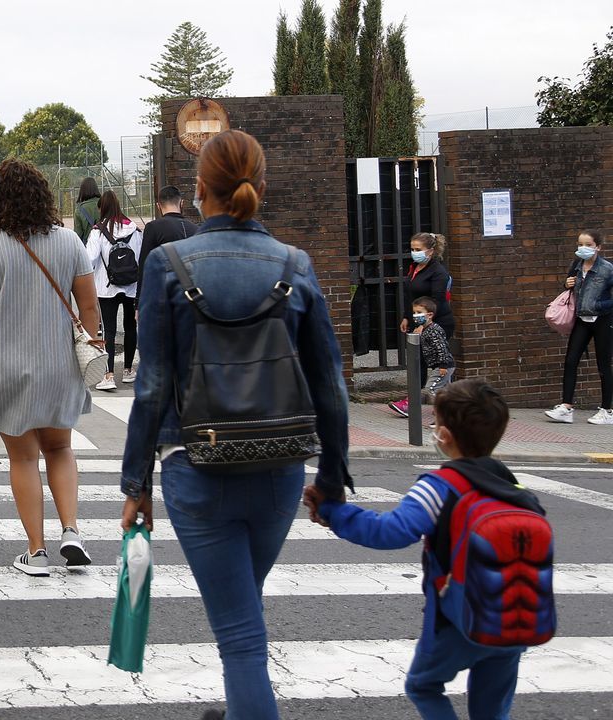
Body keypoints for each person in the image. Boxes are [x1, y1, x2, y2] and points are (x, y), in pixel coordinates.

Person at [119, 130, 351, 718]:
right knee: (244, 611)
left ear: (199, 190)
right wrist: (332, 474)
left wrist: (135, 485)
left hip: (197, 466)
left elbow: (151, 386)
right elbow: (329, 382)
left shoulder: (167, 264)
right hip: (279, 467)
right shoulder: (295, 265)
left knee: (241, 638)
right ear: (261, 188)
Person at [306, 380, 538, 720]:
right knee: (491, 710)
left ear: (444, 435)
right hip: (514, 620)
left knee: (423, 686)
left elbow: (391, 531)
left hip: (457, 620)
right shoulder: (515, 488)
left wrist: (335, 512)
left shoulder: (439, 487)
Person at [0, 158, 103, 576]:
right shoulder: (69, 242)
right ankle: (71, 530)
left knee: (23, 459)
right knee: (61, 448)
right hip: (60, 367)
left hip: (5, 370)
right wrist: (88, 344)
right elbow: (88, 305)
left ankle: (35, 551)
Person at [545, 230, 613, 425]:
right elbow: (570, 289)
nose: (583, 248)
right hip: (582, 319)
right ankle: (566, 407)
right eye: (580, 244)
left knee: (603, 365)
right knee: (571, 360)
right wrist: (566, 283)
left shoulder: (607, 269)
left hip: (602, 320)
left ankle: (607, 410)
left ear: (598, 247)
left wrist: (599, 306)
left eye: (588, 245)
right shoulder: (576, 265)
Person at [391, 232, 454, 417]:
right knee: (431, 362)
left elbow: (438, 301)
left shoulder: (438, 272)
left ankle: (413, 403)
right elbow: (412, 296)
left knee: (430, 362)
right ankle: (446, 405)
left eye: (418, 249)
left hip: (437, 323)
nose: (414, 252)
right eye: (412, 249)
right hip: (419, 321)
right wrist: (407, 317)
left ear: (431, 251)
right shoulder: (415, 268)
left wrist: (424, 324)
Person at [86, 190, 142, 391]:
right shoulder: (134, 229)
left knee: (109, 330)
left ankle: (108, 374)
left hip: (106, 286)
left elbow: (89, 259)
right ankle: (128, 371)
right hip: (130, 285)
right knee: (130, 327)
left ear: (102, 208)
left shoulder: (97, 231)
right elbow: (140, 257)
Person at [389, 297, 456, 421]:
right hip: (441, 365)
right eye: (414, 313)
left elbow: (441, 348)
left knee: (431, 388)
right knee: (445, 391)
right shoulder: (425, 329)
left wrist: (443, 365)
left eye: (419, 313)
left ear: (430, 315)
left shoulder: (433, 330)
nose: (415, 316)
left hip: (444, 365)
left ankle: (442, 415)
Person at [138, 185, 197, 283]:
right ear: (182, 203)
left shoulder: (153, 227)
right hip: (192, 291)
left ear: (158, 206)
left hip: (164, 290)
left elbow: (145, 265)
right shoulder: (195, 228)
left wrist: (139, 296)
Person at [73, 177, 101, 244]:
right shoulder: (105, 203)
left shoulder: (79, 209)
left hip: (88, 247)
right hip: (106, 246)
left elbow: (78, 235)